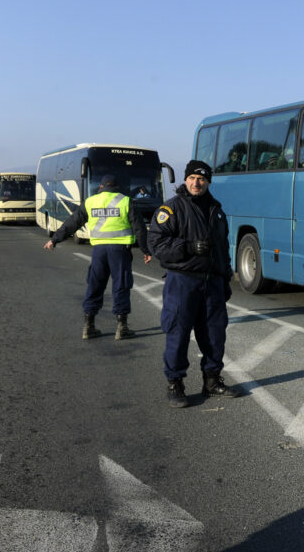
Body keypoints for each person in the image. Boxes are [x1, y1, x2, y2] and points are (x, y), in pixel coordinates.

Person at [148, 160, 243, 409]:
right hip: (182, 281)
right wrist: (188, 247)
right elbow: (156, 244)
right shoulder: (172, 208)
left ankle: (211, 381)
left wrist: (225, 278)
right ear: (186, 179)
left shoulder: (216, 210)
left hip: (212, 283)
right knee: (178, 333)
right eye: (192, 178)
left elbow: (223, 249)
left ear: (208, 181)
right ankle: (175, 384)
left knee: (214, 334)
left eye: (201, 179)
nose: (196, 183)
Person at [43, 174, 152, 340]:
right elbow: (139, 228)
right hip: (120, 250)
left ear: (101, 186)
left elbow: (72, 223)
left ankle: (89, 326)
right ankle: (121, 327)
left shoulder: (90, 202)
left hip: (99, 250)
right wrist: (145, 250)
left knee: (95, 285)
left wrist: (55, 239)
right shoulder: (126, 201)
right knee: (121, 285)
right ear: (116, 186)